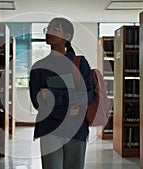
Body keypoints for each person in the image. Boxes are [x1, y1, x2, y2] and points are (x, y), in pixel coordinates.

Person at [29, 17, 94, 169]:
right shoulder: (38, 67)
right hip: (49, 128)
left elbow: (87, 95)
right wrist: (71, 105)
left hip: (76, 128)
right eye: (48, 29)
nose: (49, 32)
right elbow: (37, 102)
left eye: (55, 29)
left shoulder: (79, 63)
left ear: (68, 37)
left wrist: (53, 95)